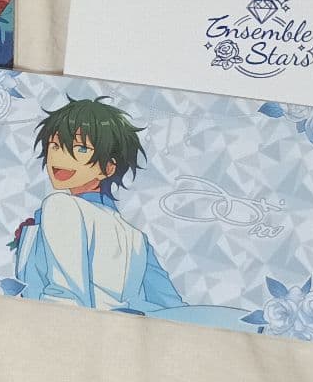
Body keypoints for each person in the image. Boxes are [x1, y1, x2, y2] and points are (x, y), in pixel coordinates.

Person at [13, 97, 185, 312]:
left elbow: (66, 296)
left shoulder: (61, 205)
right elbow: (172, 308)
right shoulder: (136, 238)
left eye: (80, 148)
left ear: (108, 169)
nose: (60, 157)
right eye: (55, 146)